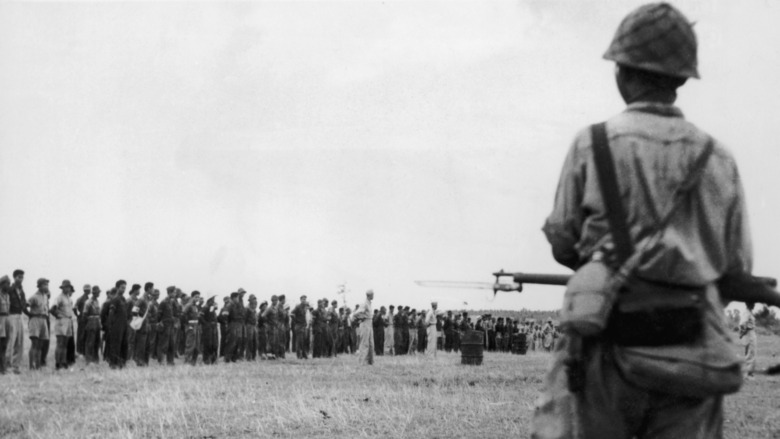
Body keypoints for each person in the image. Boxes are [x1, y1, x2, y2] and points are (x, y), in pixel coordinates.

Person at [532, 4, 753, 438]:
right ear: (683, 78)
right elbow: (734, 267)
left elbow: (563, 240)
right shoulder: (718, 158)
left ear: (622, 73)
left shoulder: (591, 145)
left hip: (607, 344)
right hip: (692, 350)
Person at [5, 269, 27, 374]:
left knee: (20, 342)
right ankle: (7, 365)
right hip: (11, 316)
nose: (21, 279)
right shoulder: (10, 289)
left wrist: (29, 314)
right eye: (19, 277)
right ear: (14, 277)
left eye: (22, 277)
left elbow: (24, 304)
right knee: (11, 341)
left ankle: (16, 365)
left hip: (20, 316)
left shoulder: (21, 290)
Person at [51, 280, 76, 370]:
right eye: (66, 287)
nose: (68, 288)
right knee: (60, 343)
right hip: (62, 320)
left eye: (69, 287)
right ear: (63, 288)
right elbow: (53, 309)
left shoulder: (68, 298)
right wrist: (58, 316)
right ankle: (58, 363)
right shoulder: (59, 298)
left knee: (65, 343)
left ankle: (63, 361)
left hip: (68, 320)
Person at [27, 278, 50, 370]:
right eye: (44, 284)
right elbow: (25, 306)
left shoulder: (45, 296)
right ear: (39, 286)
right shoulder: (34, 297)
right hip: (35, 319)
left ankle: (38, 364)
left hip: (43, 320)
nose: (46, 286)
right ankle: (31, 366)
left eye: (47, 285)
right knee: (34, 344)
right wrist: (30, 314)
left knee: (41, 344)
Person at [106, 280, 129, 369]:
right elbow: (111, 313)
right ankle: (113, 364)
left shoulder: (123, 299)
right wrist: (110, 326)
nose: (124, 290)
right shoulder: (115, 299)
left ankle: (122, 364)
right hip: (116, 326)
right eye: (122, 288)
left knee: (124, 344)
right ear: (117, 288)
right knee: (116, 345)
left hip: (124, 325)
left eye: (125, 288)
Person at [156, 286, 177, 366]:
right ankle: (161, 361)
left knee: (171, 344)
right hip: (165, 326)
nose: (175, 294)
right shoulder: (164, 302)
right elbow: (158, 315)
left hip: (171, 325)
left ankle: (170, 362)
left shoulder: (171, 302)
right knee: (163, 345)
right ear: (170, 293)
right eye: (174, 292)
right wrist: (159, 323)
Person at [353, 290, 374, 365]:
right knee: (364, 343)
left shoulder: (369, 304)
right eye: (372, 294)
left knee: (371, 343)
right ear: (368, 295)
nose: (373, 296)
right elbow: (356, 314)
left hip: (369, 323)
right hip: (365, 324)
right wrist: (361, 318)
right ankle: (361, 362)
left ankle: (370, 362)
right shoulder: (364, 304)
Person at [82, 286, 102, 364]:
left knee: (97, 342)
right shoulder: (88, 302)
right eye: (98, 292)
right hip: (91, 322)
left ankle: (95, 359)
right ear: (94, 293)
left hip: (97, 322)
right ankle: (89, 360)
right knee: (90, 342)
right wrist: (89, 323)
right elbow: (84, 315)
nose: (99, 293)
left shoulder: (97, 301)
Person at [182, 291, 202, 366]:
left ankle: (193, 362)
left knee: (197, 345)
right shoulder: (188, 305)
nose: (197, 298)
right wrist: (188, 325)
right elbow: (183, 315)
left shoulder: (195, 306)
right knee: (190, 344)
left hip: (196, 326)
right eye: (196, 297)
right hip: (190, 326)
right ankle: (187, 361)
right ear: (192, 297)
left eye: (198, 297)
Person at [739, 302, 757, 380]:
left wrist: (742, 332)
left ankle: (747, 373)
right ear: (748, 304)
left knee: (749, 353)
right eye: (753, 304)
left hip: (750, 333)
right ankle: (748, 374)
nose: (754, 305)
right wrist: (743, 332)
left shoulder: (749, 312)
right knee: (751, 353)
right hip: (749, 333)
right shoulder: (747, 313)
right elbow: (742, 323)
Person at [74, 284, 91, 357]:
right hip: (83, 319)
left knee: (84, 335)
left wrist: (77, 315)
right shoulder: (82, 299)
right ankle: (80, 352)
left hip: (84, 318)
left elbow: (74, 308)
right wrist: (77, 315)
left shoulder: (85, 298)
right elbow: (74, 308)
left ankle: (83, 352)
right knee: (82, 335)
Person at [0, 276, 10, 375]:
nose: (8, 285)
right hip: (0, 321)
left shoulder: (7, 296)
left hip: (6, 320)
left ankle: (3, 367)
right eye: (6, 283)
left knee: (4, 346)